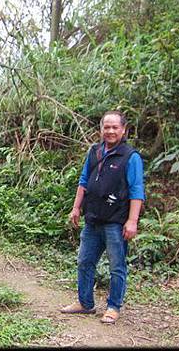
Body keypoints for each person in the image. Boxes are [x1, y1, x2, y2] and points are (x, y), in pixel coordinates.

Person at [60, 110, 145, 324]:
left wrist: (132, 221)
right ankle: (85, 303)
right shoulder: (95, 152)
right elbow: (83, 181)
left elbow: (137, 190)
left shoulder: (130, 156)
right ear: (101, 129)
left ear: (124, 129)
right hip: (92, 219)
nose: (110, 131)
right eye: (106, 127)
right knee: (84, 262)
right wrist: (76, 207)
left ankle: (113, 307)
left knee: (117, 266)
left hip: (116, 222)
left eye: (115, 127)